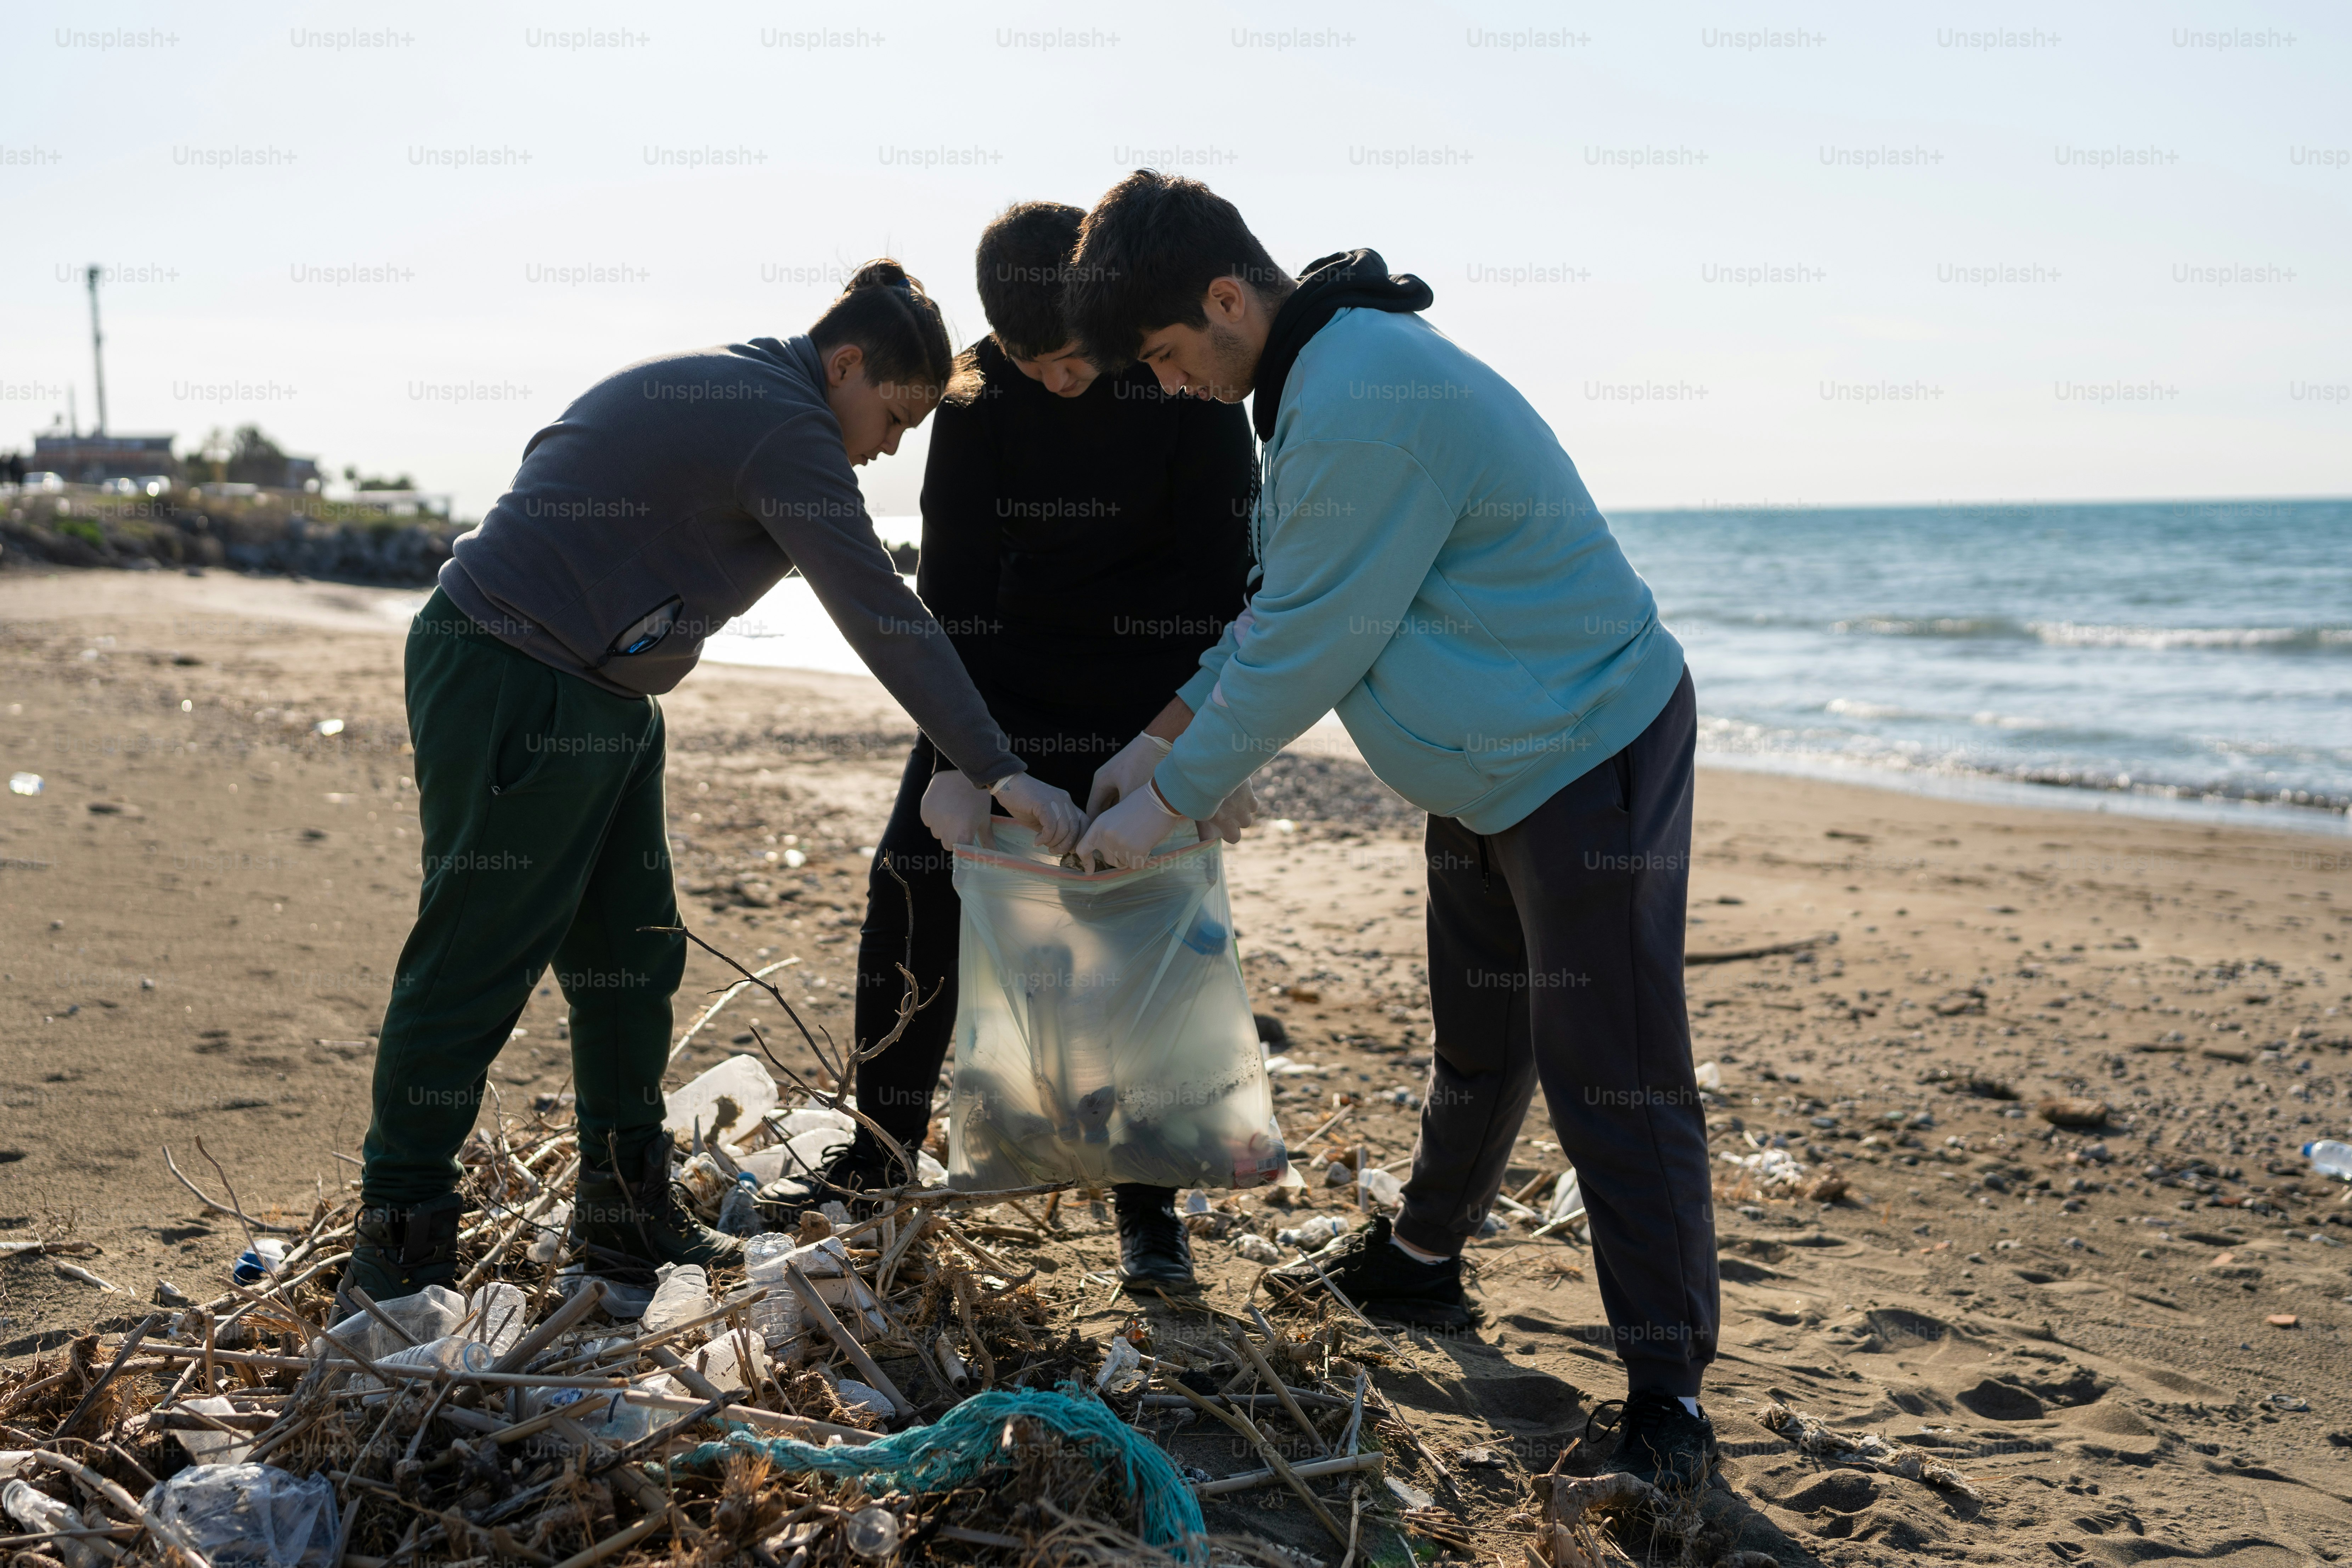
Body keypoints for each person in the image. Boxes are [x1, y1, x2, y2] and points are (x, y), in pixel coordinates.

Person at [1064, 173, 1718, 1487]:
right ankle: (1421, 1262)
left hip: (1587, 743)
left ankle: (1667, 1402)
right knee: (1482, 1035)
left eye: (1168, 355)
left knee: (1616, 1068)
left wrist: (1163, 811)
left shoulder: (1359, 394)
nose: (1173, 385)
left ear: (1228, 298)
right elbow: (1277, 607)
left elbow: (1311, 643)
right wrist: (1157, 738)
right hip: (1489, 770)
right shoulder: (1314, 383)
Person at [344, 262, 1085, 1312]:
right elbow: (881, 611)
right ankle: (399, 1238)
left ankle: (620, 1204)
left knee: (634, 958)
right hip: (519, 674)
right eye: (895, 416)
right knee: (474, 954)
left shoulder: (745, 390)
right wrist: (999, 767)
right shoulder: (784, 426)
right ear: (846, 363)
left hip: (603, 692)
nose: (888, 447)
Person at [767, 202, 1258, 1294]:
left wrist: (1199, 751)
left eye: (1071, 363)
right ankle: (879, 1157)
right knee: (908, 886)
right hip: (1002, 688)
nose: (1053, 383)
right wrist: (956, 758)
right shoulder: (983, 394)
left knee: (1133, 927)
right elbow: (953, 585)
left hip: (1151, 694)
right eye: (1028, 364)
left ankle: (1150, 1206)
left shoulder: (1173, 378)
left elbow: (1226, 578)